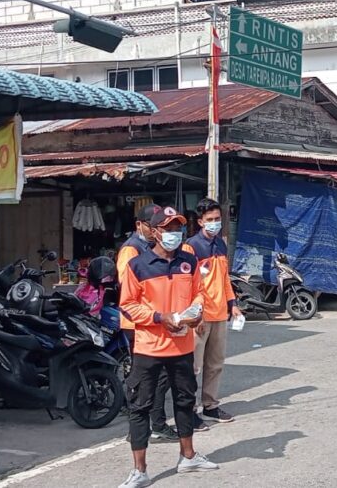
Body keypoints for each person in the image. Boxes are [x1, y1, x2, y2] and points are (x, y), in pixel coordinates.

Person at [119, 206, 219, 488]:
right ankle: (140, 470)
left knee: (185, 401)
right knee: (140, 406)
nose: (174, 233)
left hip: (182, 347)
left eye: (178, 228)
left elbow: (199, 293)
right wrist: (159, 318)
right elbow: (127, 306)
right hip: (149, 348)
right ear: (154, 232)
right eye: (168, 228)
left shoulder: (189, 261)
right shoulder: (137, 265)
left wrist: (197, 313)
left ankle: (188, 456)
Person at [118, 204, 180, 443]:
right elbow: (130, 290)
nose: (156, 231)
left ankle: (155, 422)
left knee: (161, 376)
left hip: (157, 321)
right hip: (138, 323)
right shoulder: (131, 250)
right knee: (148, 378)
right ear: (140, 226)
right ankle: (147, 425)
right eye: (152, 226)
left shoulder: (152, 249)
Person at [187, 198, 241, 431]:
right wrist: (195, 315)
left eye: (217, 219)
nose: (214, 223)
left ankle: (210, 405)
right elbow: (186, 284)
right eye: (209, 220)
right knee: (194, 366)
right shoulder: (191, 247)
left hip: (220, 314)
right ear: (200, 221)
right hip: (200, 316)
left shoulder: (221, 244)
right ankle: (189, 411)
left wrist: (233, 304)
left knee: (215, 364)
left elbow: (224, 279)